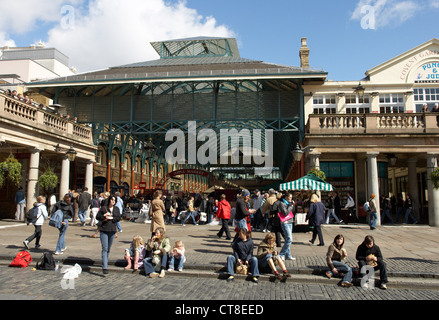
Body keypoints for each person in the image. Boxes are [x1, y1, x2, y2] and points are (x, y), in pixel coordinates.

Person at [96, 194, 121, 275]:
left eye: (114, 200)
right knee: (105, 248)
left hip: (112, 230)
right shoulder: (104, 208)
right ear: (109, 200)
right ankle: (105, 267)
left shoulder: (116, 209)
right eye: (112, 200)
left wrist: (112, 218)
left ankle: (105, 262)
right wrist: (104, 216)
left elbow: (118, 218)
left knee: (108, 249)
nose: (113, 201)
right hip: (104, 229)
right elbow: (97, 216)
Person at [277, 192, 296, 261]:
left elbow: (292, 211)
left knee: (287, 239)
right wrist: (290, 206)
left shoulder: (289, 204)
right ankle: (281, 254)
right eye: (289, 198)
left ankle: (288, 255)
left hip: (290, 221)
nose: (290, 199)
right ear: (286, 197)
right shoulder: (282, 203)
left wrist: (292, 206)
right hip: (285, 222)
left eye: (291, 198)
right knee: (289, 239)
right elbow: (285, 213)